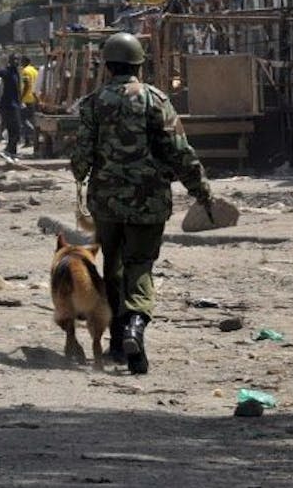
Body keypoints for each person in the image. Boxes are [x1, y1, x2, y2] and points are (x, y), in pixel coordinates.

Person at [71, 32, 212, 375]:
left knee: (113, 267)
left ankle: (118, 343)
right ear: (138, 65)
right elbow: (180, 152)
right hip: (148, 202)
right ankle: (136, 327)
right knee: (140, 267)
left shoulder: (93, 103)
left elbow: (80, 160)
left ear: (107, 66)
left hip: (106, 204)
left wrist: (86, 172)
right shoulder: (155, 99)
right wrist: (201, 191)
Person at [20, 55, 40, 146]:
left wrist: (20, 97)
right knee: (32, 119)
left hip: (26, 99)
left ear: (24, 62)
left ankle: (29, 138)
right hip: (35, 98)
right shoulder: (35, 71)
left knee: (23, 120)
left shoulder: (25, 71)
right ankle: (32, 139)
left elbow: (26, 84)